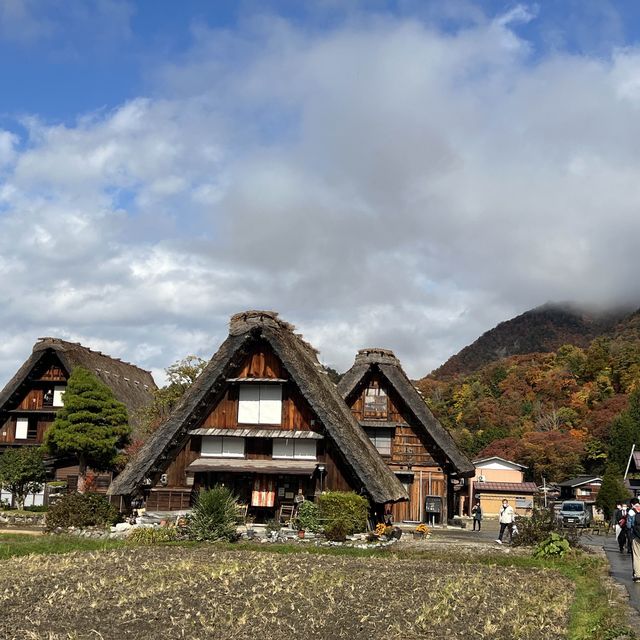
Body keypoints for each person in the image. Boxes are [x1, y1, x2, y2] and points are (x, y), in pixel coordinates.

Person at [628, 499, 640, 581]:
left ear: (632, 504)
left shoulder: (631, 511)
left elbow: (629, 525)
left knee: (636, 556)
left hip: (636, 536)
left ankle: (638, 575)